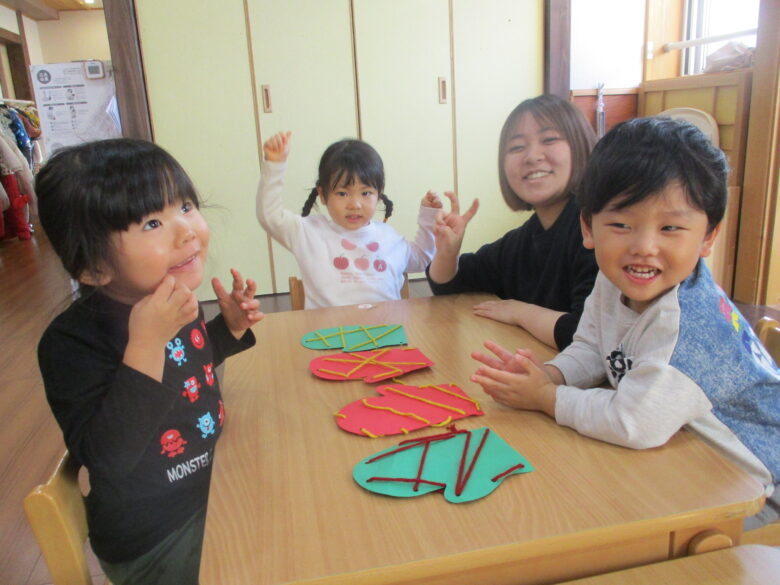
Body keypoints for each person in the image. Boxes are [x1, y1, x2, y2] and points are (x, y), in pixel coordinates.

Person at [470, 117, 780, 528]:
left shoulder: (685, 328)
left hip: (751, 492)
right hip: (677, 452)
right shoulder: (611, 279)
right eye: (621, 224)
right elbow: (593, 348)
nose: (643, 248)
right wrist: (548, 373)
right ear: (588, 227)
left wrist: (546, 397)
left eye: (670, 227)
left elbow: (632, 422)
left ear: (708, 237)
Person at [36, 138, 263, 584]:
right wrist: (144, 346)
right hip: (157, 536)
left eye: (185, 206)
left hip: (217, 482)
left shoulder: (174, 298)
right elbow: (110, 456)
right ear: (93, 268)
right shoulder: (70, 344)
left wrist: (228, 328)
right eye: (152, 222)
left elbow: (190, 364)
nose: (187, 230)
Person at [427, 94, 599, 350]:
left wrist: (520, 311)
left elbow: (588, 336)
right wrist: (447, 253)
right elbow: (450, 284)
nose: (532, 156)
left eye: (549, 139)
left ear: (580, 147)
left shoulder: (596, 232)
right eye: (517, 147)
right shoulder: (525, 238)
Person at [256, 131, 442, 308]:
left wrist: (429, 217)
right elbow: (269, 215)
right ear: (322, 194)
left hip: (385, 335)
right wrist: (274, 165)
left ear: (379, 194)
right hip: (329, 338)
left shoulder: (388, 237)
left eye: (366, 193)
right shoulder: (308, 233)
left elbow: (422, 258)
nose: (355, 204)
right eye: (343, 193)